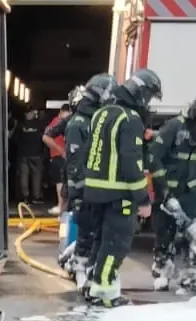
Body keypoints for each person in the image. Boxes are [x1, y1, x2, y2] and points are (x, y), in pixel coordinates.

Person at [79, 68, 162, 307]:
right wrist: (143, 200)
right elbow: (131, 161)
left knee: (101, 240)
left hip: (95, 191)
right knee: (115, 243)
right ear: (141, 93)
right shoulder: (130, 119)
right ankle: (104, 293)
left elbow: (88, 153)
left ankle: (92, 285)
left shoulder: (101, 114)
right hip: (119, 194)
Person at [147, 89, 196, 293]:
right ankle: (162, 272)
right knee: (165, 233)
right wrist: (162, 188)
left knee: (195, 235)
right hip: (168, 190)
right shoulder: (174, 126)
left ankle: (191, 276)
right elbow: (154, 157)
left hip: (192, 192)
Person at [62, 74, 116, 286]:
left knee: (94, 233)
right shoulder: (78, 124)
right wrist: (79, 192)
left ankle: (75, 261)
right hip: (84, 189)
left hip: (96, 188)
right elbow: (74, 163)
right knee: (86, 232)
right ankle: (79, 270)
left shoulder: (96, 119)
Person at [42, 100, 73, 214]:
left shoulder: (65, 121)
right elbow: (46, 137)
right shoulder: (57, 122)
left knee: (61, 182)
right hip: (59, 155)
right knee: (60, 181)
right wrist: (61, 150)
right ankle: (61, 206)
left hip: (63, 155)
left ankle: (62, 206)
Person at [13, 108, 47, 206]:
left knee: (24, 175)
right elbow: (44, 138)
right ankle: (36, 197)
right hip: (36, 154)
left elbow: (15, 139)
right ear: (32, 113)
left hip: (23, 154)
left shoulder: (20, 125)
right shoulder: (39, 125)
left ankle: (25, 197)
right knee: (36, 176)